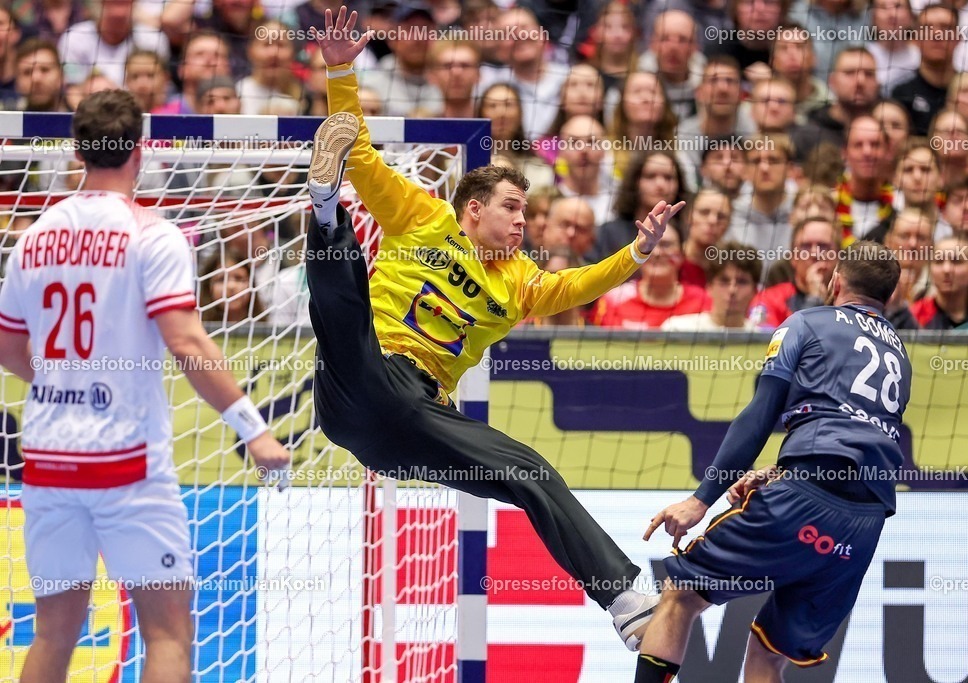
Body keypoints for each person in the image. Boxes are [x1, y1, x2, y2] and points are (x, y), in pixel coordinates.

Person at [305, 7, 681, 650]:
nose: (522, 223)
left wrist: (637, 254)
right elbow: (361, 151)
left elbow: (579, 284)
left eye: (528, 212)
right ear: (472, 209)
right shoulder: (422, 217)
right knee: (344, 300)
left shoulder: (519, 282)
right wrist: (341, 68)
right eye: (512, 208)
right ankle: (323, 208)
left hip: (410, 425)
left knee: (530, 472)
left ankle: (623, 600)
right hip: (364, 375)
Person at [0, 90, 290, 682]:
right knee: (168, 632)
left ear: (78, 151)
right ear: (142, 150)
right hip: (125, 464)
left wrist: (64, 379)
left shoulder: (33, 238)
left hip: (50, 460)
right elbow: (186, 342)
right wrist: (254, 430)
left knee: (54, 631)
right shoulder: (152, 235)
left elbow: (7, 345)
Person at [636, 240, 912, 682]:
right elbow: (855, 437)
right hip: (864, 523)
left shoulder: (806, 322)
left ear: (835, 280)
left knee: (682, 594)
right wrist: (779, 472)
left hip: (803, 502)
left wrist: (701, 499)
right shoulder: (898, 352)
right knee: (768, 654)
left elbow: (760, 415)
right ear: (890, 297)